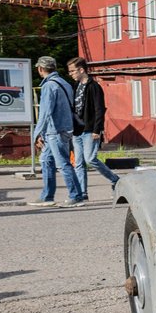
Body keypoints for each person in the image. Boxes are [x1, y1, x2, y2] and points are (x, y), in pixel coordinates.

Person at [28, 55, 84, 207]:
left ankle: (76, 196)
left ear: (40, 69)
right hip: (64, 128)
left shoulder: (48, 86)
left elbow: (45, 112)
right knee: (46, 160)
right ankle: (47, 196)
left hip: (55, 131)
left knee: (63, 164)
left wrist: (37, 133)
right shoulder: (64, 83)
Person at [67, 58, 119, 200]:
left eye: (72, 71)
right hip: (77, 131)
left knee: (90, 159)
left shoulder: (94, 86)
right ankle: (82, 193)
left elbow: (99, 109)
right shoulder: (75, 86)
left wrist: (97, 129)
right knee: (78, 163)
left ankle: (115, 180)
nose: (70, 74)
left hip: (90, 130)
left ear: (81, 70)